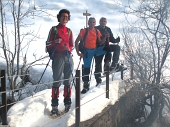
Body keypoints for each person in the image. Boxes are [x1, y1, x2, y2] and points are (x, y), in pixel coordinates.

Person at [46, 9, 74, 116]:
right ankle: (54, 105)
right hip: (58, 57)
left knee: (68, 80)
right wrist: (55, 42)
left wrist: (69, 48)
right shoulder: (54, 29)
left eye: (67, 17)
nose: (65, 18)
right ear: (59, 17)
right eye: (63, 16)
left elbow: (72, 45)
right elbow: (47, 43)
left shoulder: (69, 31)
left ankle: (67, 102)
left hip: (68, 57)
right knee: (57, 80)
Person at [75, 17, 110, 94]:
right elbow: (76, 41)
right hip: (87, 51)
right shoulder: (84, 31)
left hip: (95, 49)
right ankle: (86, 85)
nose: (92, 24)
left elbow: (100, 42)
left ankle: (108, 65)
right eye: (91, 22)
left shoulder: (97, 31)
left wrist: (105, 38)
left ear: (95, 23)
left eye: (94, 22)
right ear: (88, 23)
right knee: (86, 69)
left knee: (108, 49)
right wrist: (78, 53)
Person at [94, 17, 121, 86]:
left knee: (116, 48)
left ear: (106, 22)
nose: (103, 22)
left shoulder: (108, 29)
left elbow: (111, 39)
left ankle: (113, 65)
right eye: (102, 21)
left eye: (104, 21)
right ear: (99, 22)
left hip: (107, 47)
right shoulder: (96, 29)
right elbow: (95, 40)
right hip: (98, 48)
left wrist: (116, 40)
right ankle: (98, 80)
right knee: (98, 64)